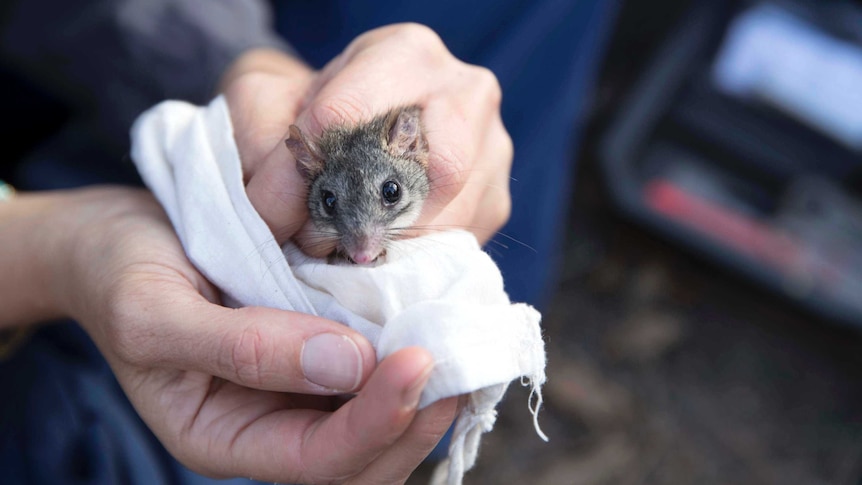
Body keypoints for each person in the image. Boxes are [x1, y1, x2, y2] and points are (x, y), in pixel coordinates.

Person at [0, 0, 618, 483]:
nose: (362, 243)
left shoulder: (387, 152)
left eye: (389, 200)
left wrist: (245, 62)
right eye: (332, 207)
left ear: (410, 143)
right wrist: (54, 250)